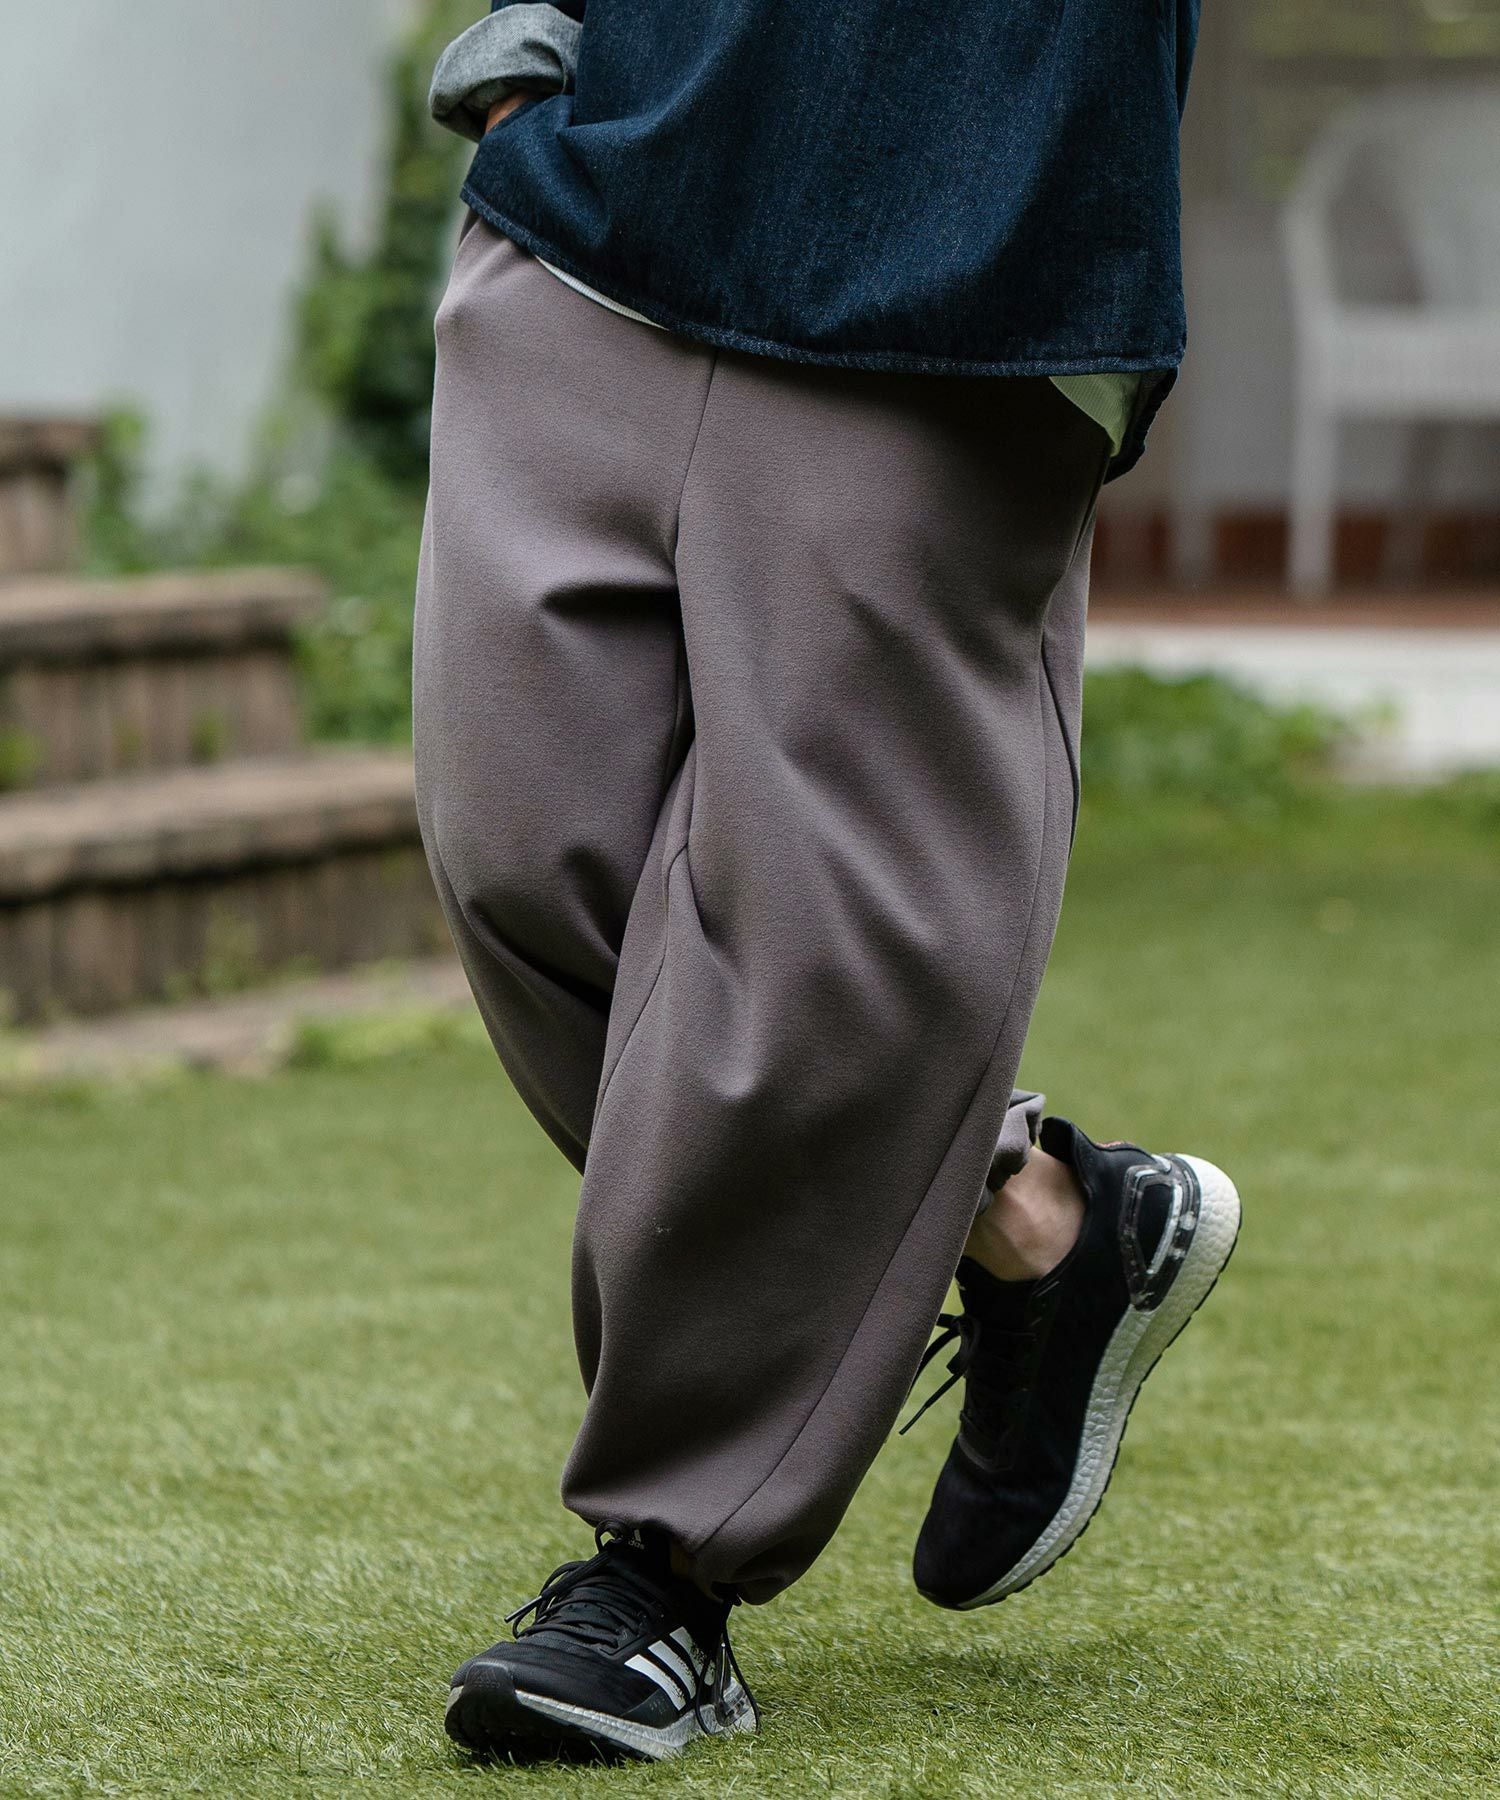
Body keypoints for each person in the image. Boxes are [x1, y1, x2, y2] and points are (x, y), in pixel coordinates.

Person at [414, 0, 1239, 1765]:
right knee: (524, 860)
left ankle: (665, 1575)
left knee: (823, 947)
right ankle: (1028, 1214)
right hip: (591, 202)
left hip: (960, 255)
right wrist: (524, 61)